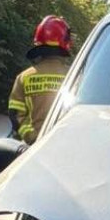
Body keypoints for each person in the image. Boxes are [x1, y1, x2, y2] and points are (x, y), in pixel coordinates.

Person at [8, 16, 73, 144]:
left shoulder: (24, 77)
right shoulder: (76, 76)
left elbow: (14, 114)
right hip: (69, 145)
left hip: (34, 149)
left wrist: (32, 137)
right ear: (66, 42)